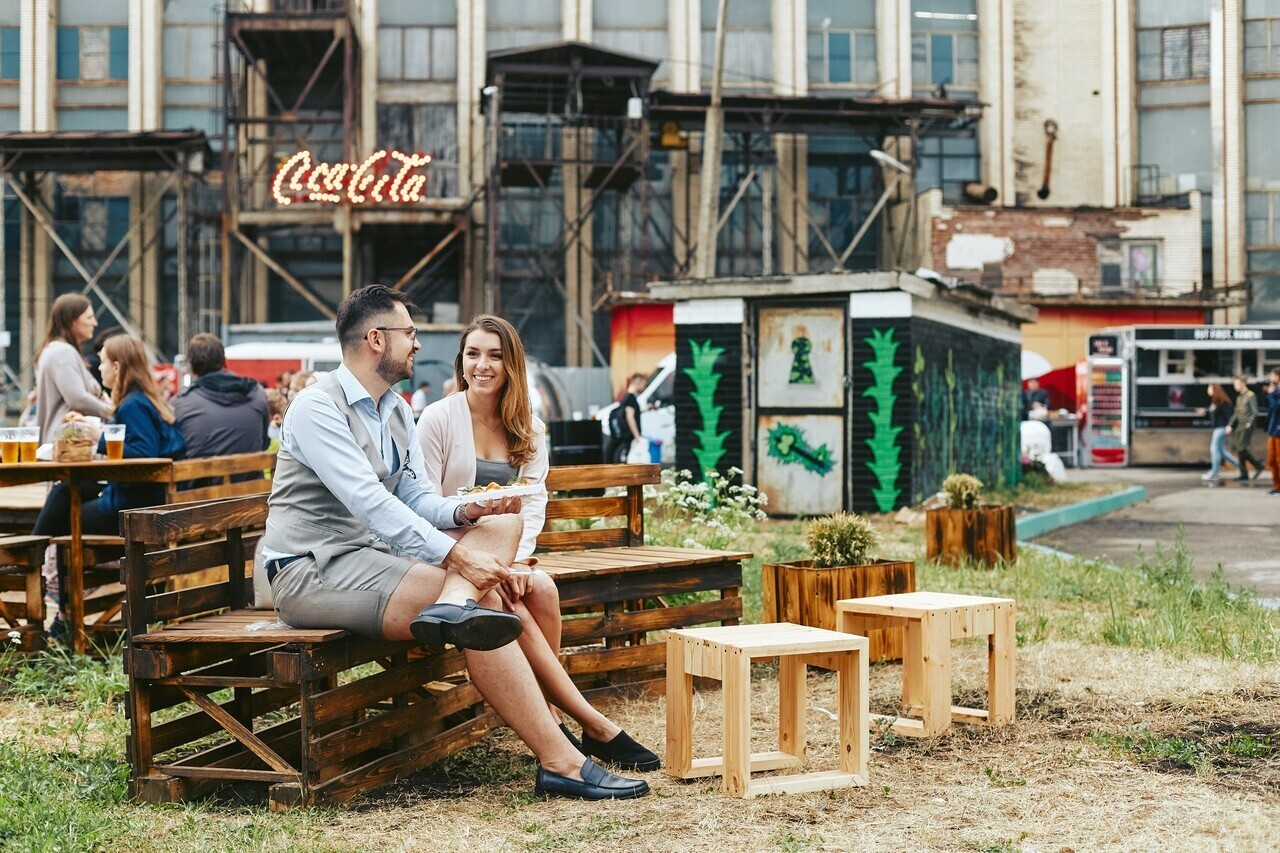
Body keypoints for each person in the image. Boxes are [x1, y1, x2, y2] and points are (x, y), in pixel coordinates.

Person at [260, 285, 649, 800]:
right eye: (409, 333)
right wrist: (458, 555)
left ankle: (457, 607)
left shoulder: (395, 410)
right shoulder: (318, 407)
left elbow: (416, 497)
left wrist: (467, 512)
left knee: (504, 524)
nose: (417, 344)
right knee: (487, 602)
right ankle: (562, 761)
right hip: (310, 570)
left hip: (370, 562)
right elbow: (370, 503)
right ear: (376, 339)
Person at [417, 315, 659, 771]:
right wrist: (486, 561)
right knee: (513, 602)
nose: (482, 365)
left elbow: (532, 502)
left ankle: (554, 720)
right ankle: (590, 724)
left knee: (542, 588)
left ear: (512, 364)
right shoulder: (438, 418)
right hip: (447, 555)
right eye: (473, 354)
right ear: (461, 361)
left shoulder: (528, 426)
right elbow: (424, 504)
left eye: (494, 356)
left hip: (505, 553)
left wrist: (516, 561)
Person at [33, 335, 187, 540]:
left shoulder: (132, 405)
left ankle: (32, 552)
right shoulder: (143, 399)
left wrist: (100, 438)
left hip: (135, 505)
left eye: (103, 361)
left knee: (64, 516)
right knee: (65, 490)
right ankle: (34, 552)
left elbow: (145, 454)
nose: (99, 368)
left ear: (116, 367)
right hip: (147, 496)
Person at [173, 333, 270, 458]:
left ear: (192, 367)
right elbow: (264, 443)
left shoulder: (179, 404)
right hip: (251, 471)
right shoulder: (258, 395)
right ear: (225, 361)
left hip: (199, 471)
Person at [35, 294, 114, 446]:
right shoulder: (62, 352)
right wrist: (111, 411)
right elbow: (78, 398)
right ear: (72, 321)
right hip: (68, 444)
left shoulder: (59, 350)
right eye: (89, 317)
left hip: (68, 442)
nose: (95, 323)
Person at [1226, 375, 1264, 483]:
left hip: (1246, 425)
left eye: (1237, 384)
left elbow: (1254, 412)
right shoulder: (1239, 397)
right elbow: (1236, 413)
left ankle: (1255, 467)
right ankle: (1247, 472)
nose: (1235, 386)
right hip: (1239, 425)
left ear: (1243, 383)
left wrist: (1249, 424)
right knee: (1240, 450)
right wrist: (1230, 425)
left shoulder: (1250, 395)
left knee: (1241, 449)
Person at [1199, 383, 1237, 484]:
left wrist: (1230, 426)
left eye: (1210, 388)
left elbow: (1230, 415)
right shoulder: (1214, 402)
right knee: (1221, 451)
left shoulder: (1223, 402)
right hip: (1216, 428)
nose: (1208, 390)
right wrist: (1206, 412)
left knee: (1214, 449)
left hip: (1221, 428)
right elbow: (1214, 414)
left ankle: (1214, 472)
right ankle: (1239, 465)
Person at [605, 373, 646, 464]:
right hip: (628, 437)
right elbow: (630, 417)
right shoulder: (630, 399)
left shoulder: (626, 398)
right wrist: (637, 436)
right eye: (643, 384)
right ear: (637, 382)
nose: (644, 387)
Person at [1265, 368, 1280, 495]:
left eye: (1272, 376)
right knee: (1271, 459)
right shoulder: (1275, 391)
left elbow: (1276, 407)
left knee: (1279, 459)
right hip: (1272, 428)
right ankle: (1276, 486)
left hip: (1278, 429)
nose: (1270, 378)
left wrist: (1270, 394)